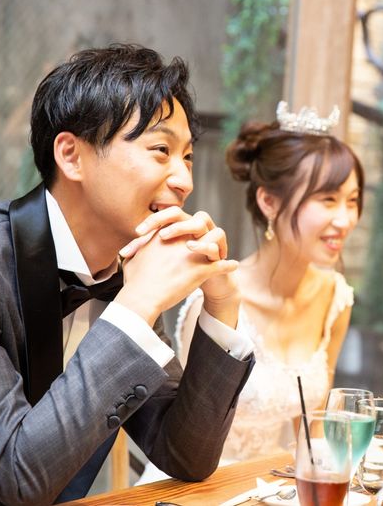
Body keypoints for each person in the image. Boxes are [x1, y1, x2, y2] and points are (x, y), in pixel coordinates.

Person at [0, 44, 255, 505]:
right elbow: (15, 478)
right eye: (160, 150)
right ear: (72, 156)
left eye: (187, 156)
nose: (185, 181)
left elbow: (184, 453)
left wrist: (221, 306)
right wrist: (136, 306)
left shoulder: (127, 273)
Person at [138, 100, 364, 483]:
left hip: (273, 487)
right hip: (194, 486)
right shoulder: (215, 300)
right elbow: (183, 434)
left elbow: (311, 431)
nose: (345, 220)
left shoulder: (335, 298)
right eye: (328, 200)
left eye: (353, 201)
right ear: (269, 202)